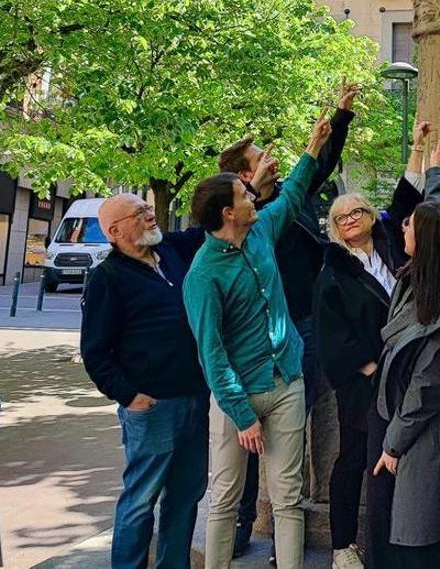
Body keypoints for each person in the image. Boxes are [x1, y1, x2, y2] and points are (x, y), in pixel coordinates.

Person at [81, 170, 267, 569]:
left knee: (185, 496)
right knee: (140, 499)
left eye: (148, 208)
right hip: (152, 407)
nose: (150, 215)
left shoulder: (174, 251)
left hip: (195, 398)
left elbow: (213, 220)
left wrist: (251, 187)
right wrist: (129, 396)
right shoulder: (107, 279)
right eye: (139, 212)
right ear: (115, 231)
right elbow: (95, 352)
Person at [183, 113, 331, 569]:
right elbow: (213, 355)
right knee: (226, 496)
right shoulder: (203, 275)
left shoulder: (261, 228)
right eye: (245, 193)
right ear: (229, 212)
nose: (254, 195)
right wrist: (243, 415)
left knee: (288, 498)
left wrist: (315, 144)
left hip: (286, 381)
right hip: (237, 398)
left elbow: (292, 194)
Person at [218, 84, 358, 558]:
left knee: (290, 434)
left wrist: (339, 118)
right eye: (261, 157)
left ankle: (286, 539)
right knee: (249, 437)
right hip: (259, 340)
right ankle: (240, 528)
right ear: (243, 175)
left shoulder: (283, 200)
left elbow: (315, 169)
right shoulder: (244, 218)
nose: (272, 159)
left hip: (303, 325)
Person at [314, 126, 440, 569]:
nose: (350, 219)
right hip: (367, 381)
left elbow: (407, 199)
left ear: (371, 216)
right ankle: (343, 544)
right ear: (334, 230)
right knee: (356, 458)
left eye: (357, 212)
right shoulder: (334, 272)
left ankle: (394, 540)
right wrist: (371, 369)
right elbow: (333, 337)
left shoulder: (394, 245)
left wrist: (417, 150)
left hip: (406, 374)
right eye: (341, 218)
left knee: (395, 458)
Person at [364, 201, 440, 569]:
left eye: (410, 225)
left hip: (421, 438)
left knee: (417, 541)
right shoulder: (413, 280)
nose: (403, 229)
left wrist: (393, 446)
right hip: (392, 422)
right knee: (394, 533)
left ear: (428, 239)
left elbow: (425, 389)